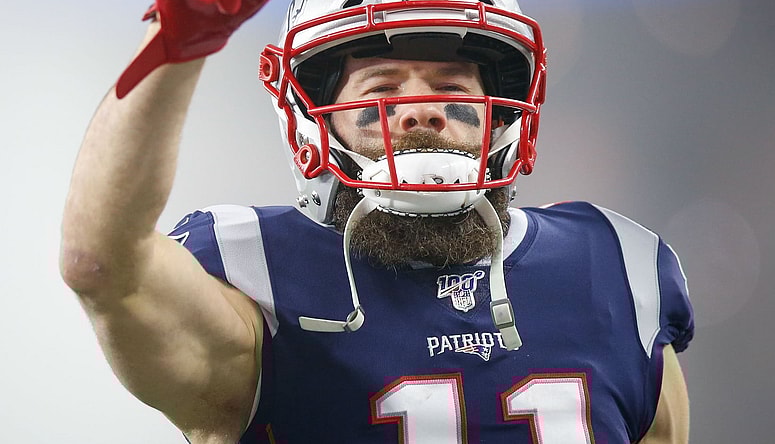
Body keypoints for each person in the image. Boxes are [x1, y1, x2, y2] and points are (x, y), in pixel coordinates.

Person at [60, 0, 694, 443]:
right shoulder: (255, 276)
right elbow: (99, 263)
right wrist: (179, 40)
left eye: (451, 86)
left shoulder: (616, 267)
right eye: (382, 89)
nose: (422, 112)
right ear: (316, 119)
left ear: (503, 116)